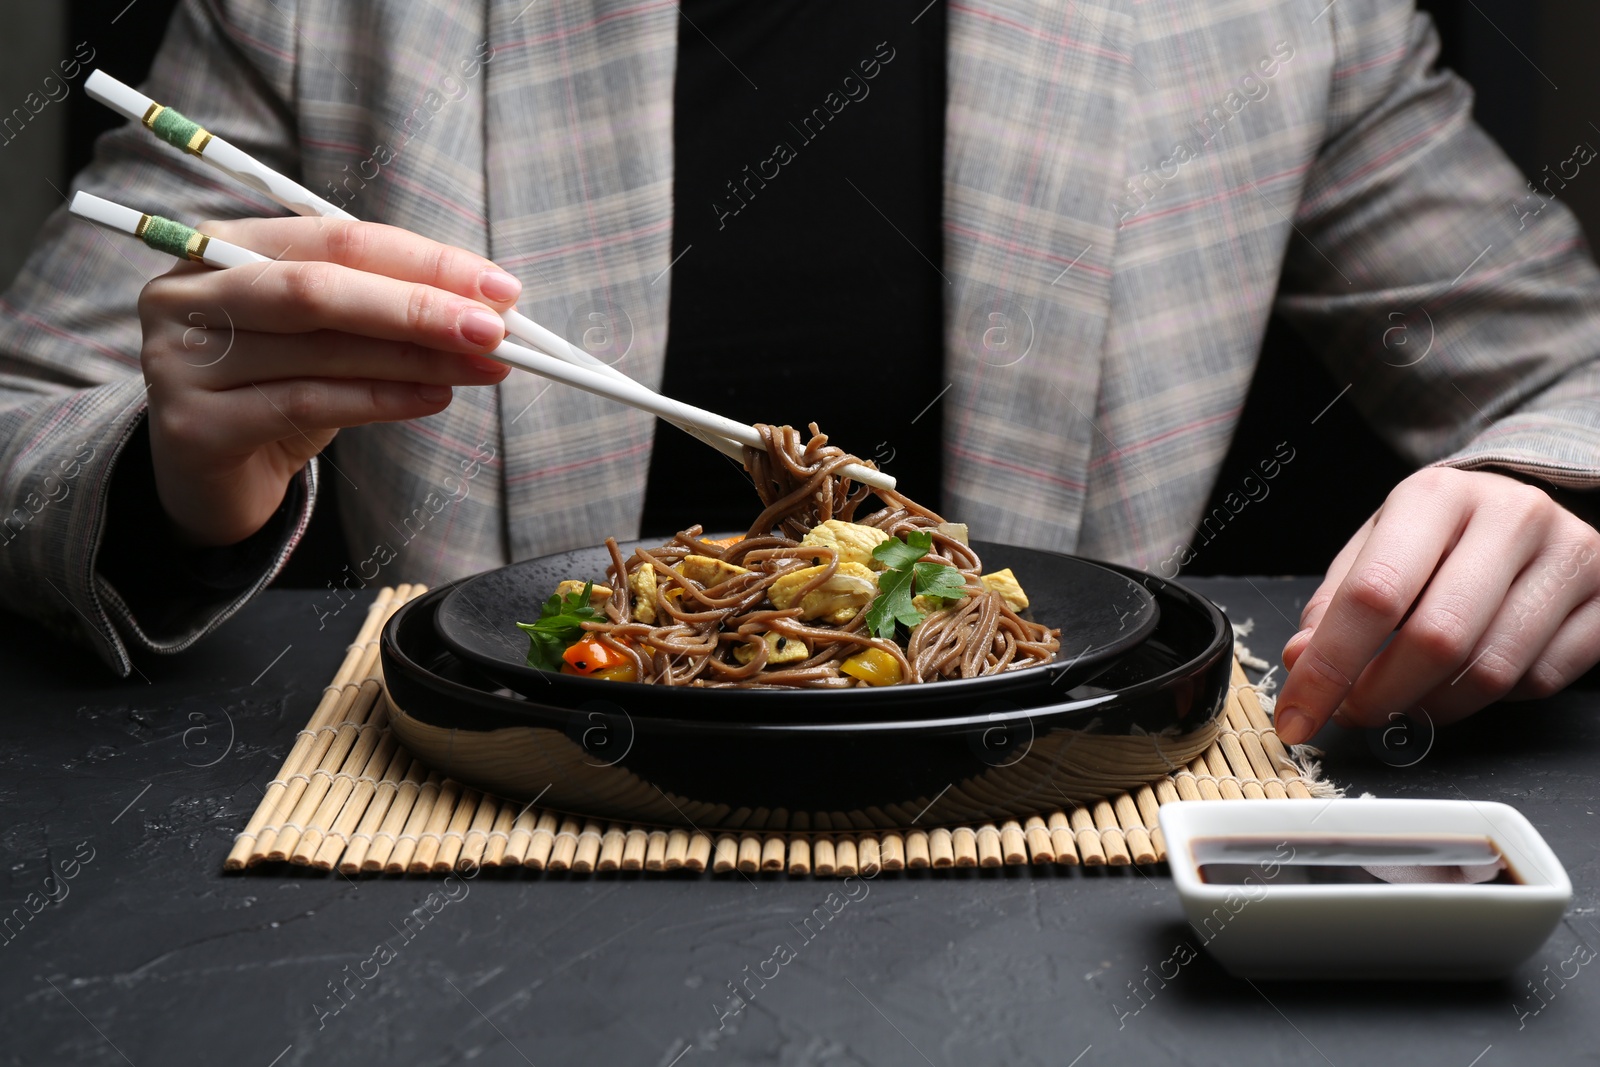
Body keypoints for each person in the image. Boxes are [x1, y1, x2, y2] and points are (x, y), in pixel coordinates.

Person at [0, 0, 1595, 750]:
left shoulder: (1262, 20)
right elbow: (28, 427)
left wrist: (1533, 494)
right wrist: (174, 479)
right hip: (507, 825)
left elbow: (1569, 373)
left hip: (1043, 833)